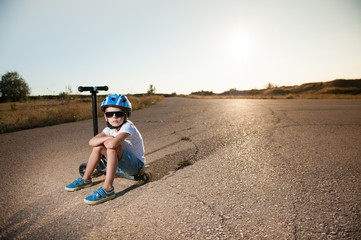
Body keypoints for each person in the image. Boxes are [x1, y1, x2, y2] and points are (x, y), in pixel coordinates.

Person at [65, 94, 151, 205]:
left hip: (136, 166)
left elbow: (112, 145)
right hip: (120, 165)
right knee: (98, 147)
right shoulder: (108, 129)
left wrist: (108, 140)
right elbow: (91, 142)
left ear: (126, 116)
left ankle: (108, 188)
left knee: (112, 148)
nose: (114, 117)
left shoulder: (128, 126)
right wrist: (108, 137)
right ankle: (85, 179)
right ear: (106, 117)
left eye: (119, 114)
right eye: (110, 114)